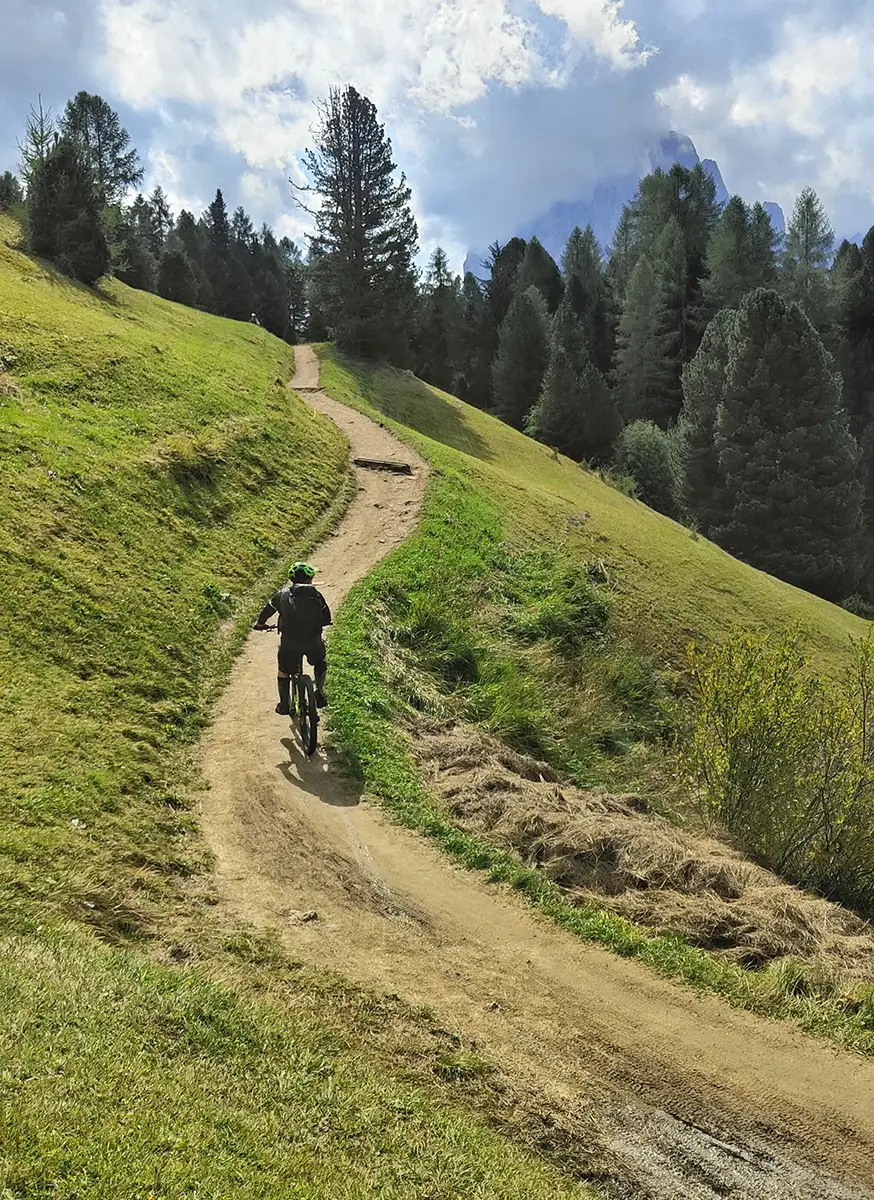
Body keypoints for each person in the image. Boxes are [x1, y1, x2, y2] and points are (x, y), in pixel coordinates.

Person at [254, 562, 332, 713]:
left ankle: (284, 705)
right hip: (313, 642)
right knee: (320, 661)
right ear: (310, 579)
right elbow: (326, 616)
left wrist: (260, 624)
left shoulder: (281, 595)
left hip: (289, 644)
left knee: (283, 670)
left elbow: (266, 612)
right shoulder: (316, 595)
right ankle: (319, 692)